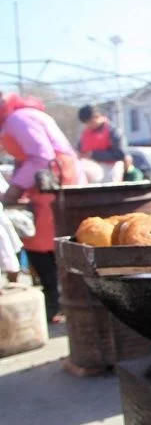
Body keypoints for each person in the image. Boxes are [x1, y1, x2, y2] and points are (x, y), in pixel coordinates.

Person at [0, 92, 85, 321]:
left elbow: (41, 156)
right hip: (44, 183)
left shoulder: (19, 119)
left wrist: (15, 188)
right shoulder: (18, 118)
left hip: (53, 183)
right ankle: (58, 301)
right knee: (43, 243)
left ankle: (58, 303)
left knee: (46, 242)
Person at [77, 104, 126, 182]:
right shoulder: (85, 133)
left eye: (90, 122)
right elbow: (79, 149)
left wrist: (93, 154)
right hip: (90, 169)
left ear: (96, 116)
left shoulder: (113, 131)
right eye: (86, 123)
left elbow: (119, 154)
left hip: (110, 169)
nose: (88, 125)